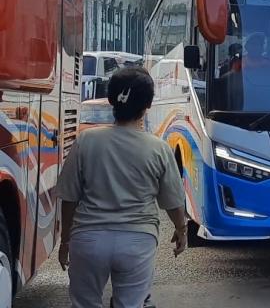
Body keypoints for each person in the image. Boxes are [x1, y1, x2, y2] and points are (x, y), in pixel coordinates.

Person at [56, 67, 188, 308]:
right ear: (147, 105)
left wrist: (65, 241)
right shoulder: (158, 148)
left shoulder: (86, 141)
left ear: (111, 100)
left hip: (88, 240)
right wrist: (181, 230)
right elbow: (173, 201)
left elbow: (69, 198)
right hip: (137, 241)